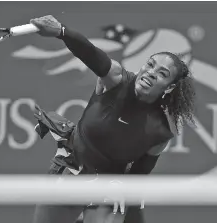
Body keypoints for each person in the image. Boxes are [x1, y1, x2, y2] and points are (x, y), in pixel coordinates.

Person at [30, 15, 196, 223]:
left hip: (109, 188)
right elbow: (91, 55)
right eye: (150, 64)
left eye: (162, 73)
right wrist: (61, 31)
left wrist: (125, 191)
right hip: (71, 168)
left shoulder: (161, 130)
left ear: (170, 87)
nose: (151, 73)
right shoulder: (116, 79)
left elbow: (140, 173)